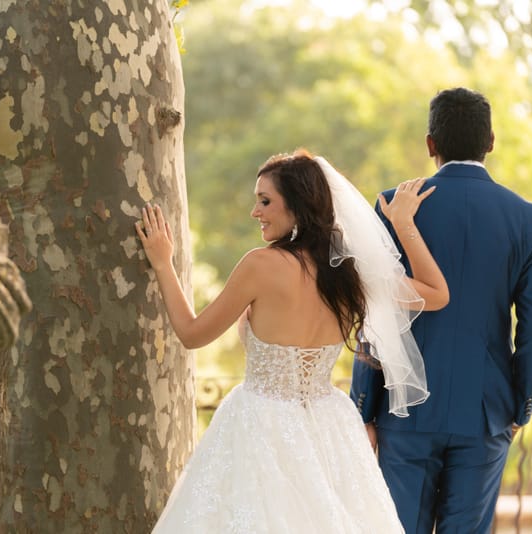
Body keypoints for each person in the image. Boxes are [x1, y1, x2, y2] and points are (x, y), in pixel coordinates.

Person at [135, 149, 449, 533]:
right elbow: (437, 294)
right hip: (330, 425)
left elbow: (191, 333)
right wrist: (404, 225)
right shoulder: (350, 274)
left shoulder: (260, 265)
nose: (255, 212)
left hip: (259, 422)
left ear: (297, 205)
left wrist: (163, 262)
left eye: (265, 201)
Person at [350, 87, 532, 533]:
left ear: (430, 144)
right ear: (491, 142)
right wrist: (521, 407)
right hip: (485, 412)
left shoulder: (391, 207)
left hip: (404, 411)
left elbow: (373, 316)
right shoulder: (526, 219)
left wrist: (363, 407)